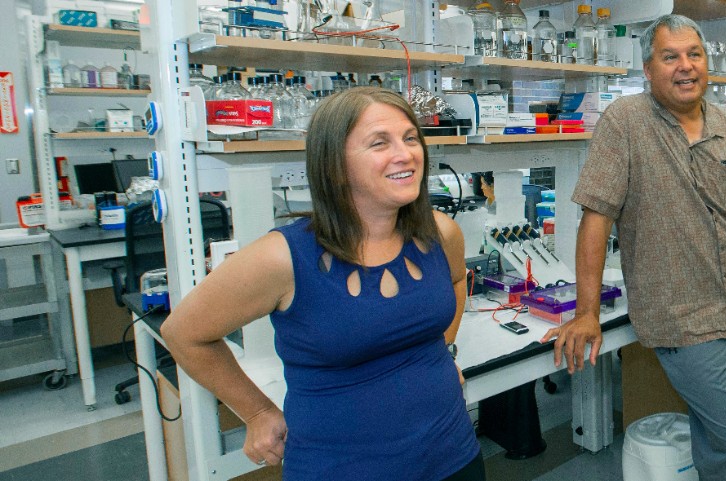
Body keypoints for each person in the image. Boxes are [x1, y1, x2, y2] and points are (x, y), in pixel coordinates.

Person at [161, 87, 485, 481]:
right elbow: (183, 334)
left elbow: (454, 281)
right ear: (334, 165)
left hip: (454, 457)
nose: (406, 154)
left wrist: (444, 349)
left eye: (410, 138)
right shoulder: (283, 257)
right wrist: (257, 412)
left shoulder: (440, 233)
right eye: (379, 143)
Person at [540, 14, 726, 481]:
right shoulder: (626, 123)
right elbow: (595, 219)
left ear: (707, 63)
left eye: (694, 54)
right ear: (648, 68)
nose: (685, 66)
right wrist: (587, 312)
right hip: (686, 320)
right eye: (669, 56)